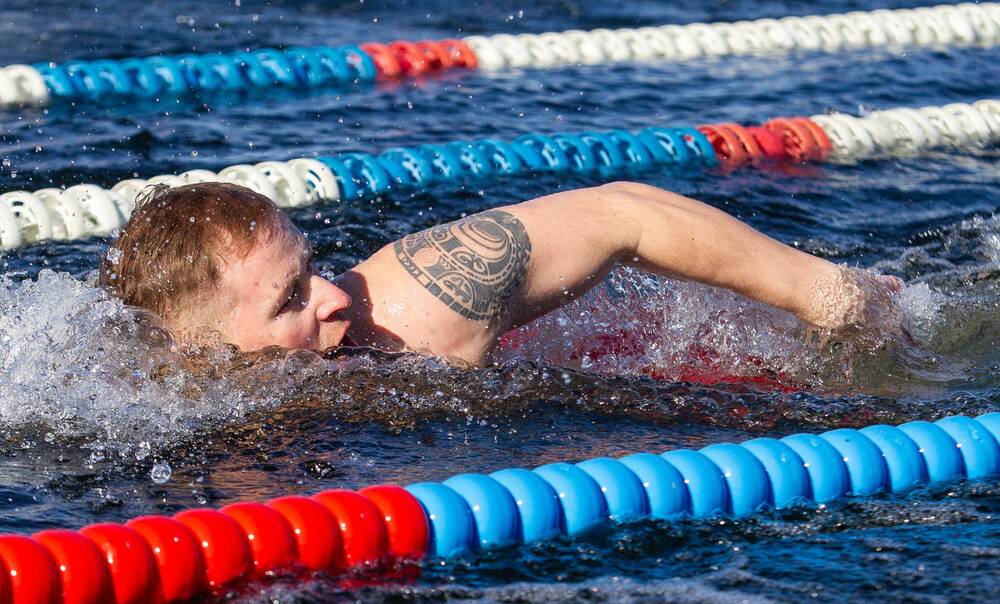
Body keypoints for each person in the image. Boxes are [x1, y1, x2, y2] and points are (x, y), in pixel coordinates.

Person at [101, 181, 903, 366]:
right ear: (201, 350)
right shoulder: (142, 409)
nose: (337, 295)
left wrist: (828, 297)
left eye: (309, 268)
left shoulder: (413, 304)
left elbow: (622, 212)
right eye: (289, 301)